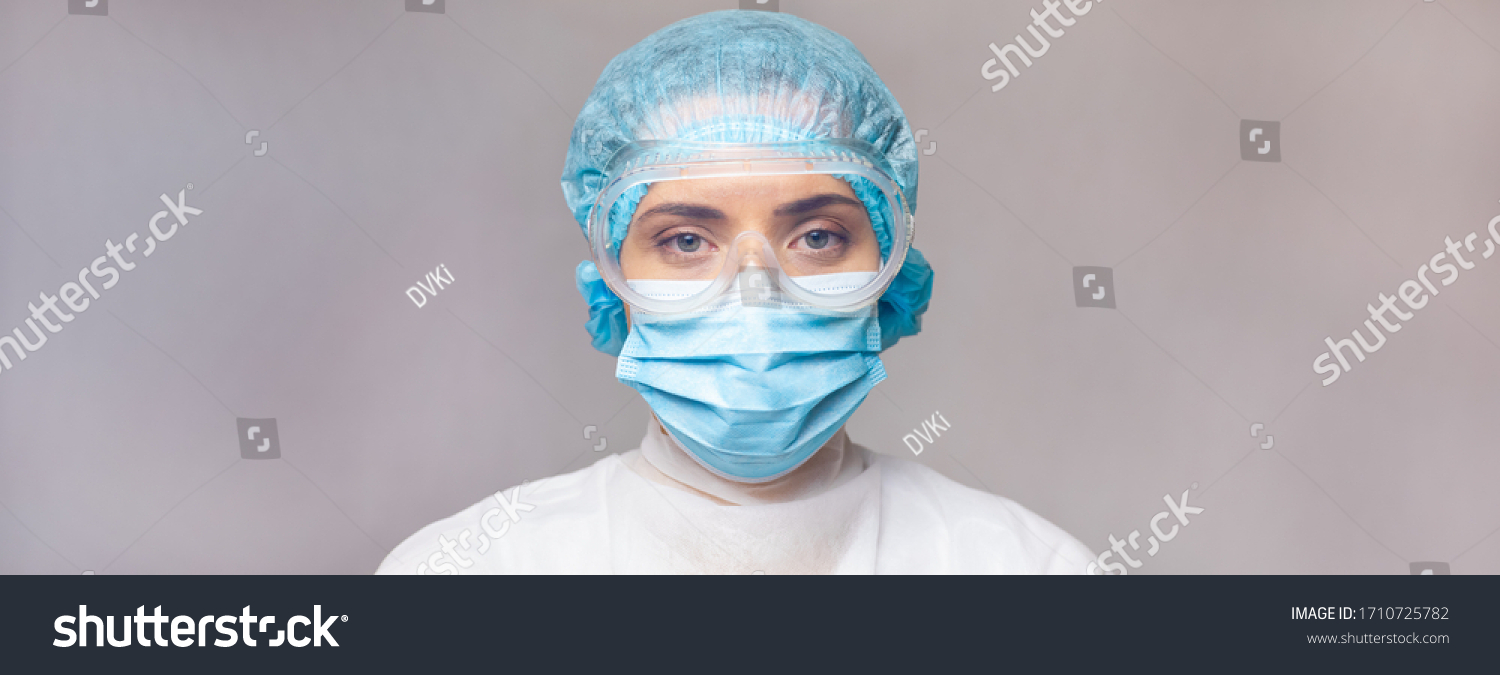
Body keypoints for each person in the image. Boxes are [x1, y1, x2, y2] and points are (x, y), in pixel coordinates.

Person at [378, 9, 1091, 574]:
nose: (755, 292)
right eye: (686, 241)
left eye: (816, 237)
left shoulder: (1024, 568)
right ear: (614, 284)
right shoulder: (475, 569)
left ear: (890, 275)